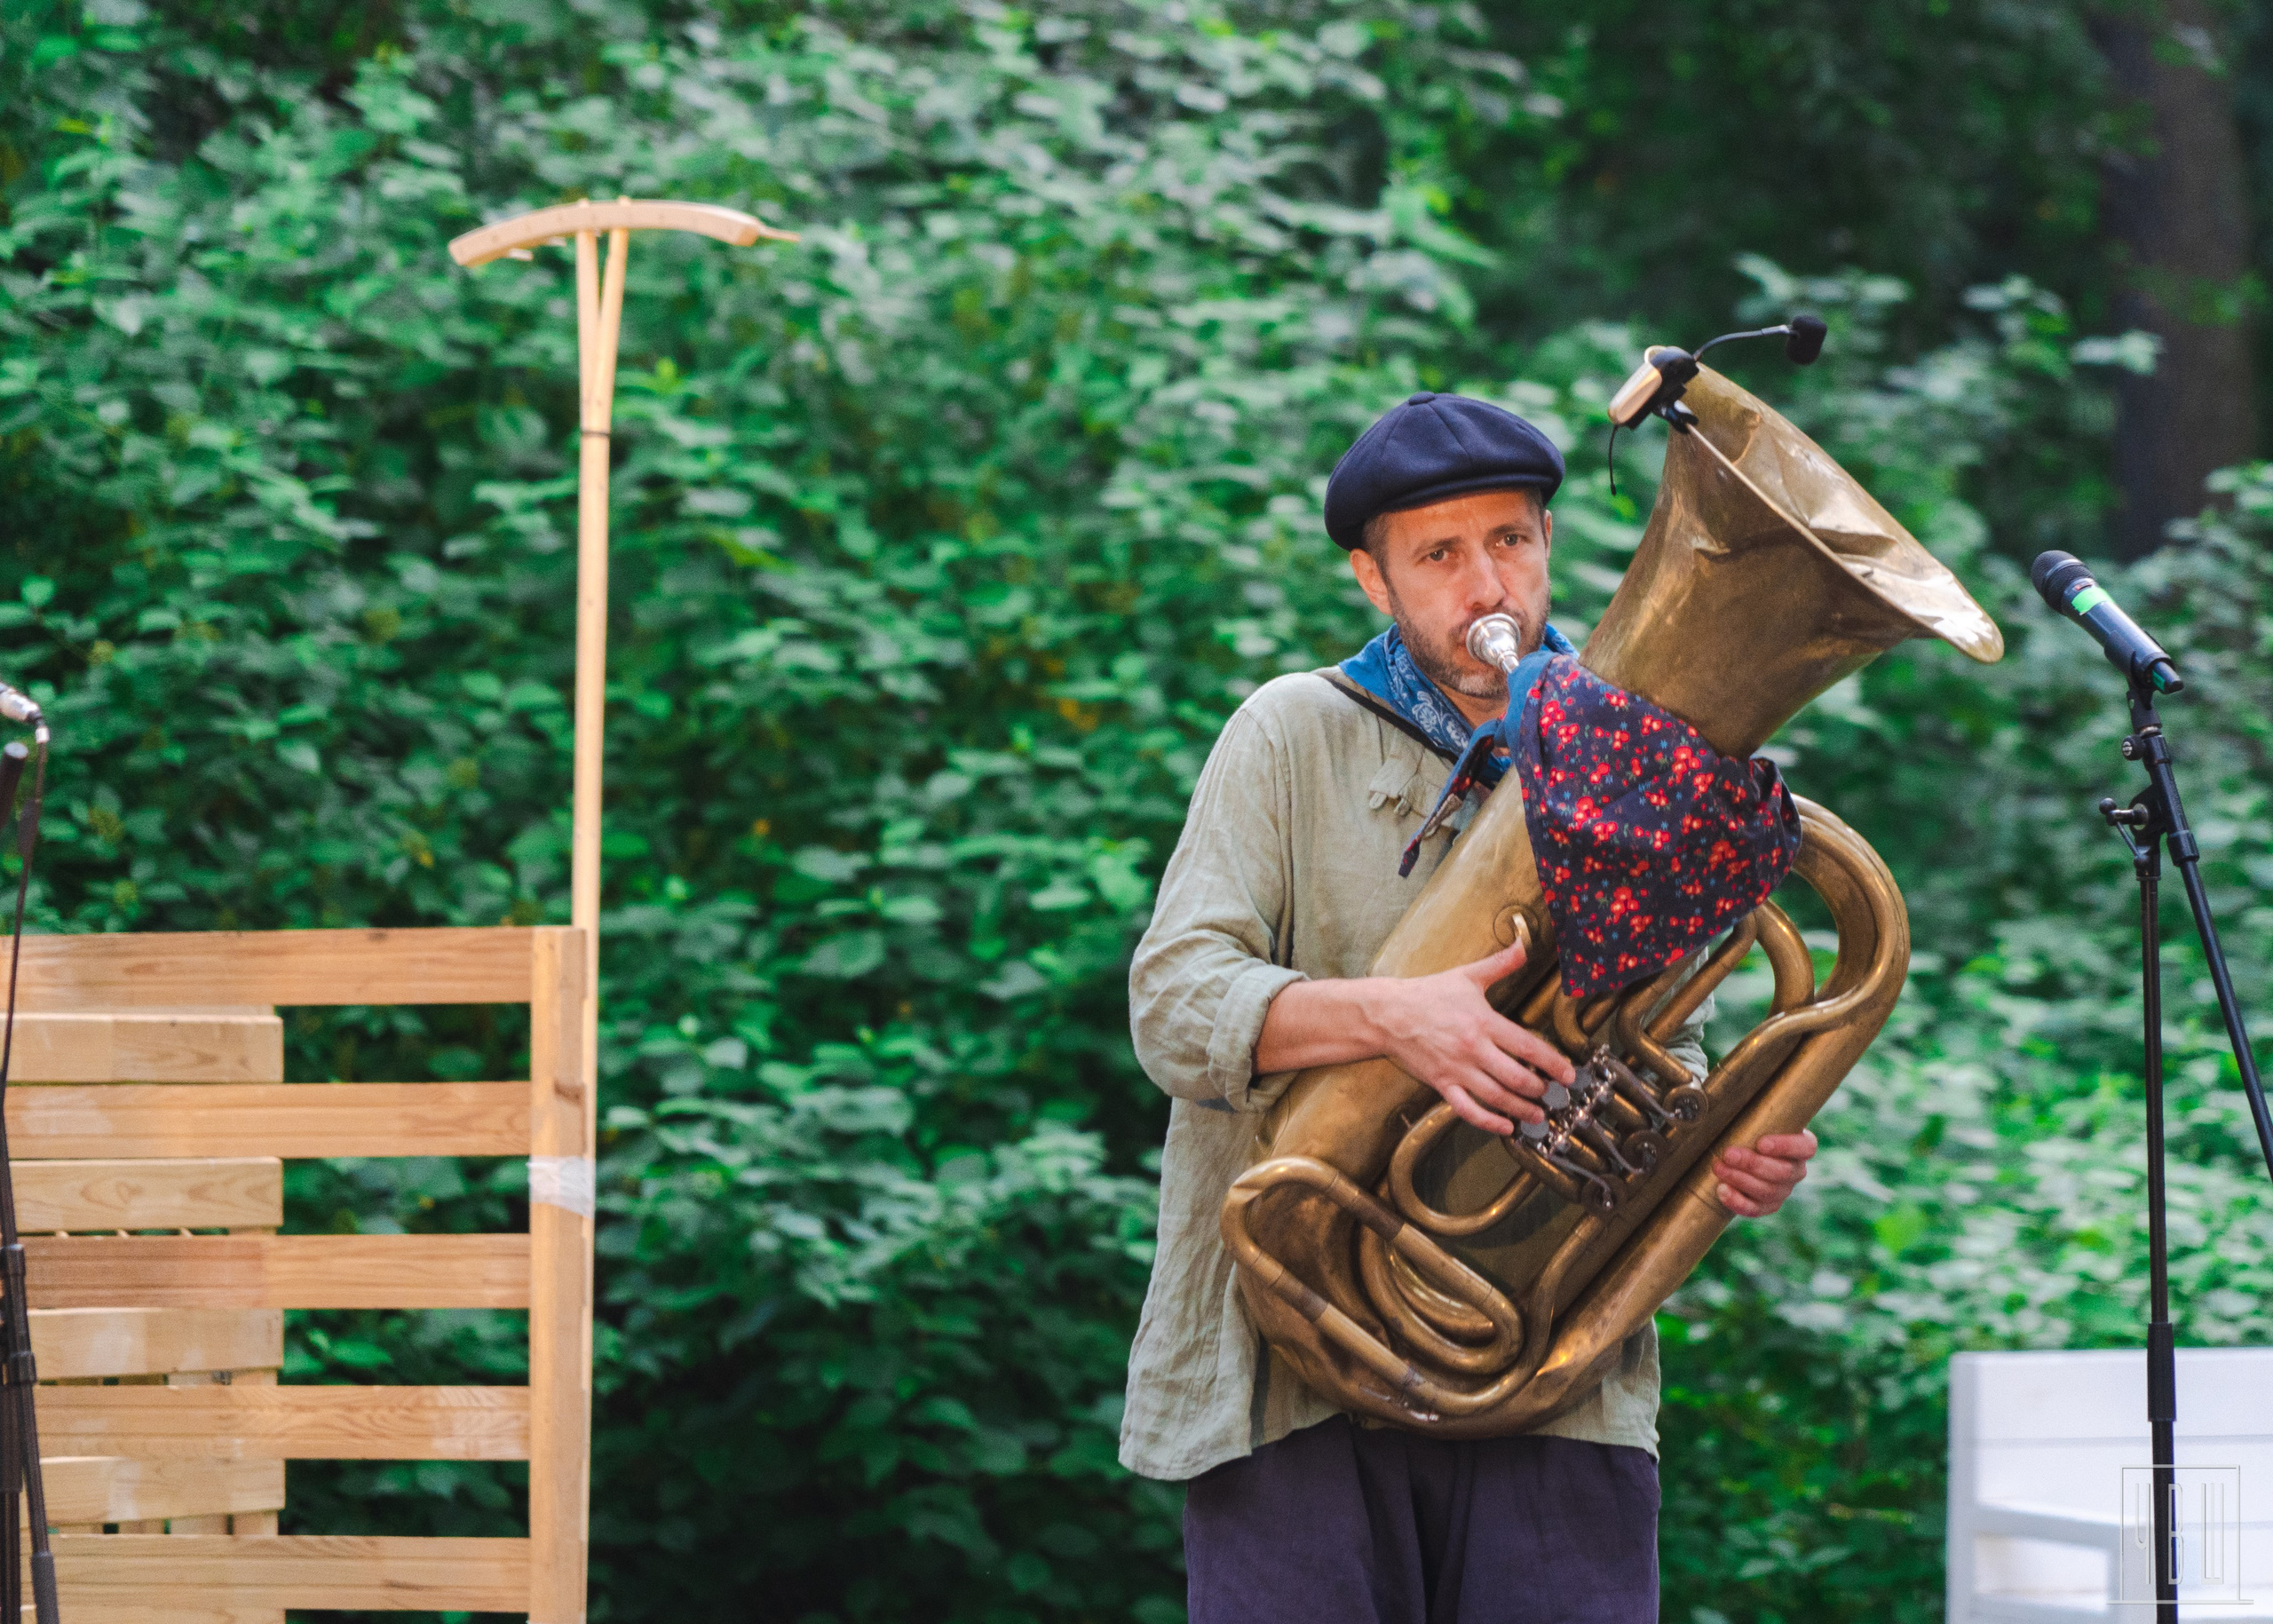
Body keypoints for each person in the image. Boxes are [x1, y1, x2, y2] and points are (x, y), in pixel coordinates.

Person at [1120, 392, 1820, 1624]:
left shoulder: (1636, 772)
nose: (1483, 581)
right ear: (1373, 579)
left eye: (1509, 540)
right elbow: (1176, 1004)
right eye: (1438, 555)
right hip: (1295, 1370)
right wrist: (1397, 1018)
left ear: (1549, 545)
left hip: (1552, 1373)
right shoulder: (1289, 733)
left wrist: (1729, 1148)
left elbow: (1676, 1062)